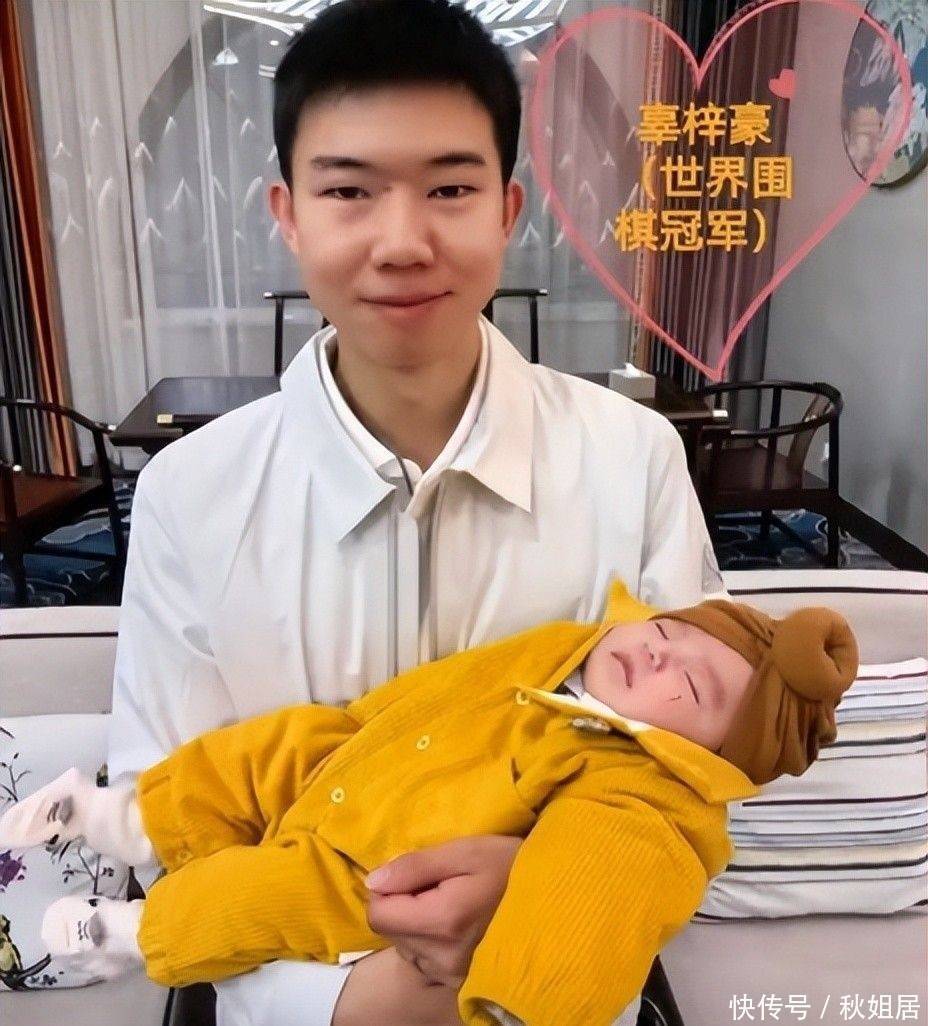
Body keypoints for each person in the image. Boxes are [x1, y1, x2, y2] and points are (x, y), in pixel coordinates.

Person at [108, 2, 727, 1024]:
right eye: (349, 191)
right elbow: (167, 823)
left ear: (508, 210)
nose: (402, 242)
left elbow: (700, 767)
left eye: (449, 188)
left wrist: (547, 892)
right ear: (287, 214)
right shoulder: (192, 492)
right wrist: (362, 999)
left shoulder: (632, 459)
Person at [8, 586, 857, 1024]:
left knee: (261, 893)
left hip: (369, 874)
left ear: (705, 759)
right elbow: (457, 682)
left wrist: (526, 993)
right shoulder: (572, 649)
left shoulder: (645, 788)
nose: (659, 659)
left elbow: (604, 882)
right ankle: (130, 819)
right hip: (357, 752)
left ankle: (128, 934)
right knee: (264, 747)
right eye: (665, 633)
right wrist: (370, 722)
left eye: (694, 690)